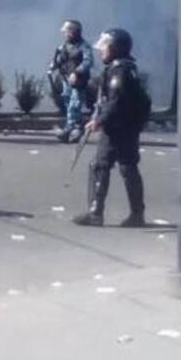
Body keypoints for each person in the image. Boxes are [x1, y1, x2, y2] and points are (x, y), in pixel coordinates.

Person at [73, 29, 149, 228]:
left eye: (105, 47)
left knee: (100, 165)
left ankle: (95, 213)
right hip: (127, 126)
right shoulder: (126, 67)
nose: (102, 51)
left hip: (116, 127)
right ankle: (137, 214)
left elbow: (116, 100)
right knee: (127, 167)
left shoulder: (119, 71)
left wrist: (100, 120)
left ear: (116, 48)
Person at [51, 20, 94, 143]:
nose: (65, 34)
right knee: (67, 101)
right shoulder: (65, 45)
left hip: (78, 81)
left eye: (67, 31)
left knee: (75, 104)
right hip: (67, 79)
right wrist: (54, 65)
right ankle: (69, 127)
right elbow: (61, 59)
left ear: (73, 31)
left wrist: (77, 72)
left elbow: (88, 62)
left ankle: (76, 128)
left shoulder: (83, 46)